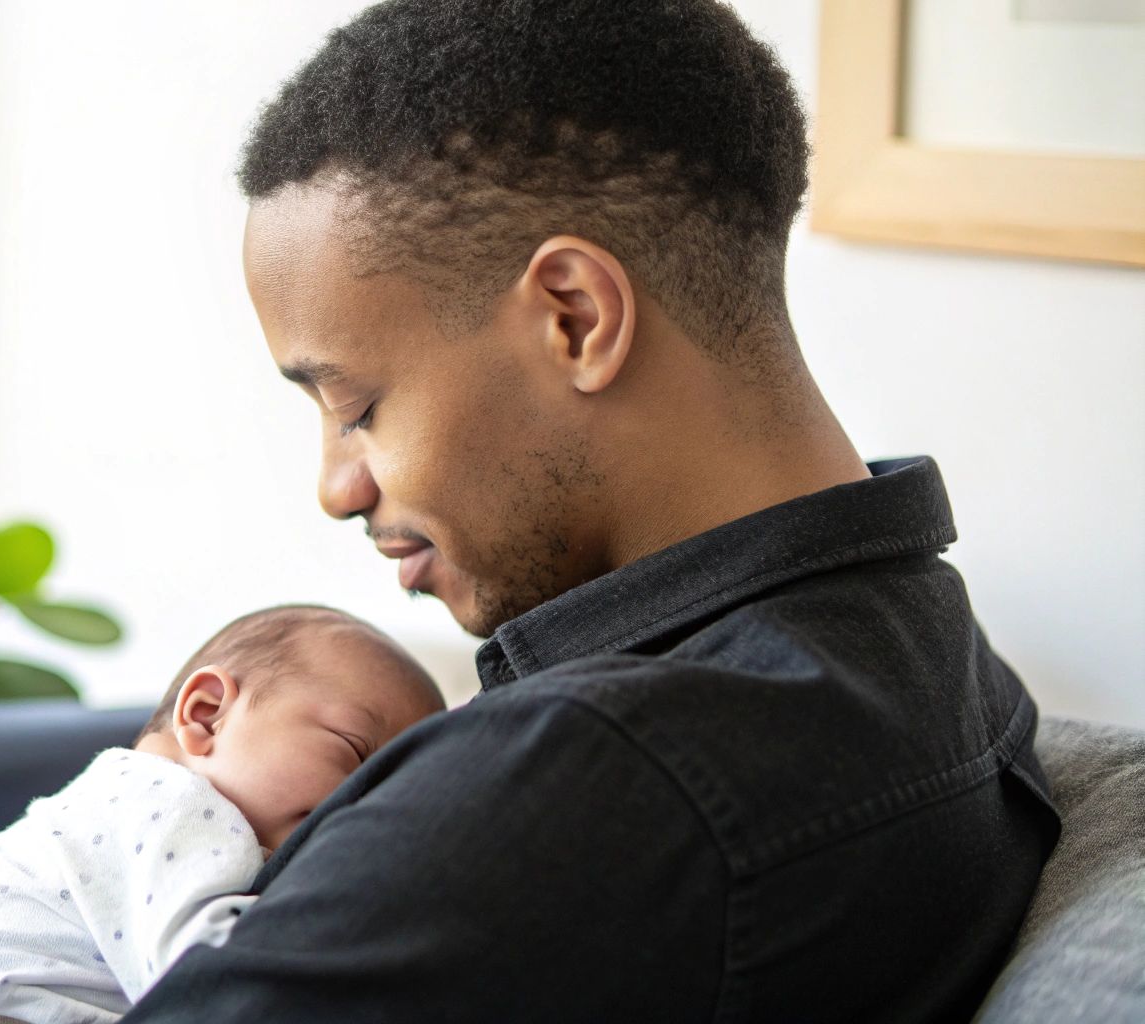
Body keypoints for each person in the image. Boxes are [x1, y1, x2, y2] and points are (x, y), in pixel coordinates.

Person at [118, 1, 1062, 1021]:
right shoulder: (934, 644)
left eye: (358, 407)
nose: (335, 487)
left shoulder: (575, 784)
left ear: (573, 317)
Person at [0, 605, 446, 1024]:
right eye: (353, 753)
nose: (358, 804)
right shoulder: (169, 804)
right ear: (207, 714)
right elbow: (222, 974)